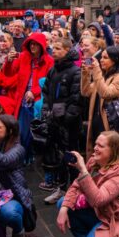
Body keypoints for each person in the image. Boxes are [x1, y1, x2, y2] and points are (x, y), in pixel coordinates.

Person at [0, 31, 53, 162]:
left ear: (41, 46)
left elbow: (49, 81)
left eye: (36, 44)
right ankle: (23, 156)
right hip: (22, 99)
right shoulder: (23, 57)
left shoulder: (49, 61)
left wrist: (34, 92)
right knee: (21, 130)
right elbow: (9, 72)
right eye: (31, 44)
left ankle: (29, 155)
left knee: (33, 131)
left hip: (38, 101)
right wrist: (9, 62)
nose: (32, 47)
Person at [39, 37, 83, 204]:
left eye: (57, 48)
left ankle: (75, 190)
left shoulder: (75, 71)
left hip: (69, 125)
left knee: (71, 157)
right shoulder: (53, 70)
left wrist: (66, 119)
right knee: (59, 157)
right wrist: (46, 111)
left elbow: (76, 100)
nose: (53, 51)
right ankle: (62, 188)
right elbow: (46, 92)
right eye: (53, 48)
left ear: (67, 50)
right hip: (54, 122)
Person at [80, 46, 119, 155]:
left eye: (105, 58)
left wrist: (96, 71)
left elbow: (106, 94)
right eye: (101, 57)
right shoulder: (102, 77)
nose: (101, 60)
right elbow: (85, 91)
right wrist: (85, 73)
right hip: (96, 121)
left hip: (109, 123)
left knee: (109, 155)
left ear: (115, 60)